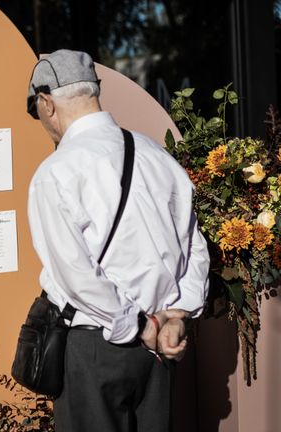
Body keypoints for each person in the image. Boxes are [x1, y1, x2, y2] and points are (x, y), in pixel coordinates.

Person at [25, 49, 209, 432]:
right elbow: (195, 245)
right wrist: (175, 315)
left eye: (36, 111)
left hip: (97, 349)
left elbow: (77, 275)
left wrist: (136, 326)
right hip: (158, 350)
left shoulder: (55, 173)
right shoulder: (157, 155)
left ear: (46, 103)